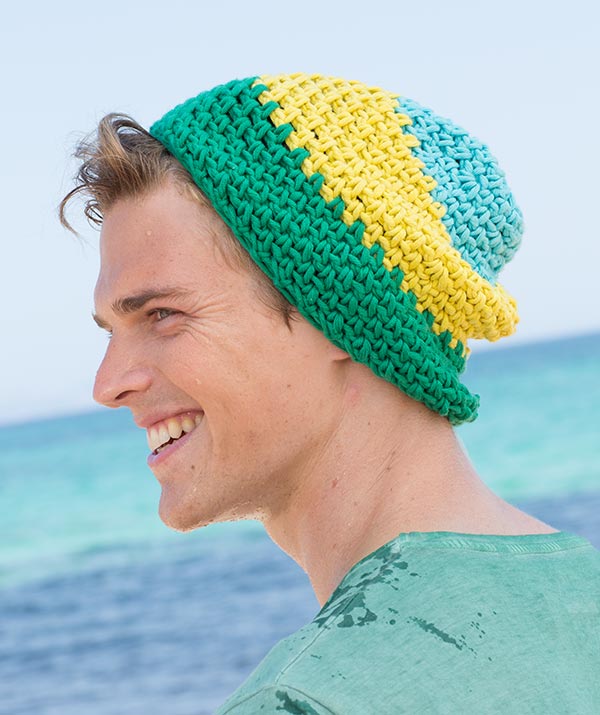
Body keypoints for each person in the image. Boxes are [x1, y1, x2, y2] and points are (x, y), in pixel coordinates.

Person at [60, 73, 600, 714]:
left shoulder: (304, 700)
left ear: (342, 316)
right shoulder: (582, 595)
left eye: (162, 316)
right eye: (111, 331)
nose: (108, 385)